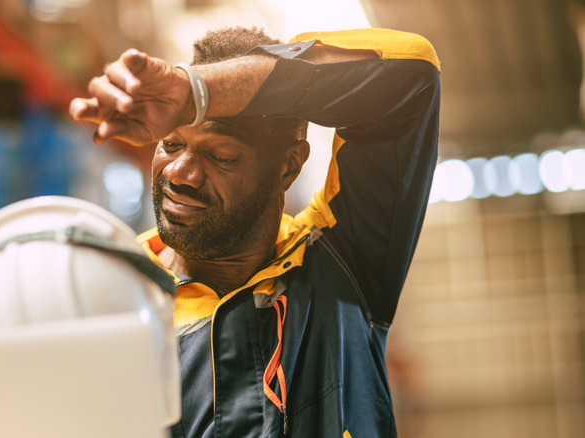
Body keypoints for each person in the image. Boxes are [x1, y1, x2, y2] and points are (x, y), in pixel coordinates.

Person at [70, 25, 440, 438]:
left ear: (288, 166)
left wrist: (197, 91)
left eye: (221, 155)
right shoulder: (117, 295)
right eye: (171, 145)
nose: (180, 174)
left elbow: (410, 72)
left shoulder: (342, 259)